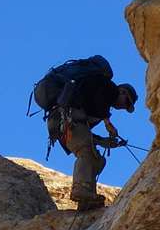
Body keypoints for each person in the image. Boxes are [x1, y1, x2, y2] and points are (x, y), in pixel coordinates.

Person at [55, 75, 138, 210]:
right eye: (127, 102)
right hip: (68, 120)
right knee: (87, 152)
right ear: (122, 91)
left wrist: (106, 142)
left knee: (98, 160)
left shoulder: (99, 105)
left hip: (67, 125)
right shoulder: (109, 87)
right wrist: (107, 122)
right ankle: (81, 189)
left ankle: (87, 200)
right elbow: (101, 100)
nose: (124, 107)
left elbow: (85, 135)